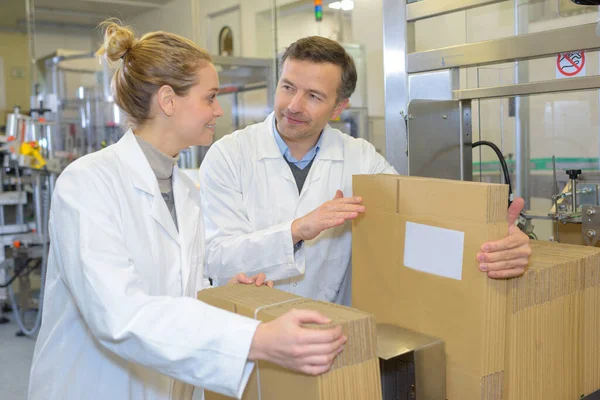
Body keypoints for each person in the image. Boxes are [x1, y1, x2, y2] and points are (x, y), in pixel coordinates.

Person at [28, 23, 346, 400]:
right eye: (210, 97)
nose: (218, 109)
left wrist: (222, 294)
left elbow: (179, 295)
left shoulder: (184, 191)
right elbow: (119, 315)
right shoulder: (87, 184)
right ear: (168, 100)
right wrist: (256, 340)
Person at [199, 36, 532, 306]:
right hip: (251, 335)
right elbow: (215, 258)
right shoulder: (229, 155)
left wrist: (491, 238)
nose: (294, 105)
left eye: (314, 96)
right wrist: (298, 229)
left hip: (332, 333)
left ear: (339, 107)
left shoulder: (360, 158)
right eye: (287, 87)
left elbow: (416, 222)